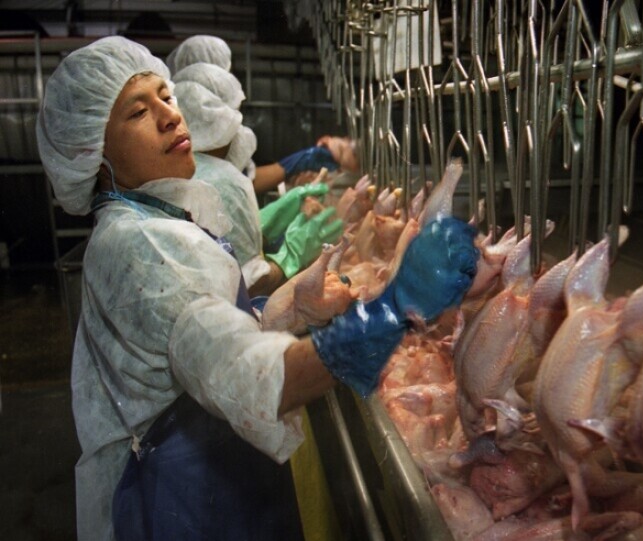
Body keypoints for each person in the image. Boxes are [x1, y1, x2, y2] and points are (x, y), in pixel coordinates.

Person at [37, 36, 478, 541]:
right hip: (180, 504)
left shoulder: (156, 216)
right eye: (138, 112)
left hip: (204, 479)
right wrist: (392, 310)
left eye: (165, 96)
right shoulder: (141, 245)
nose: (170, 116)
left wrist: (290, 309)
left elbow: (197, 337)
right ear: (92, 154)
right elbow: (250, 378)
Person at [171, 61, 341, 295]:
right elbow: (251, 285)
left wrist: (263, 224)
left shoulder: (180, 170)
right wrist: (293, 252)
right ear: (218, 119)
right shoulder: (223, 181)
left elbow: (224, 245)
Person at [166, 34, 356, 194]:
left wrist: (297, 163)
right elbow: (237, 184)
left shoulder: (215, 131)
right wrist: (297, 164)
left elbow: (243, 179)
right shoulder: (188, 130)